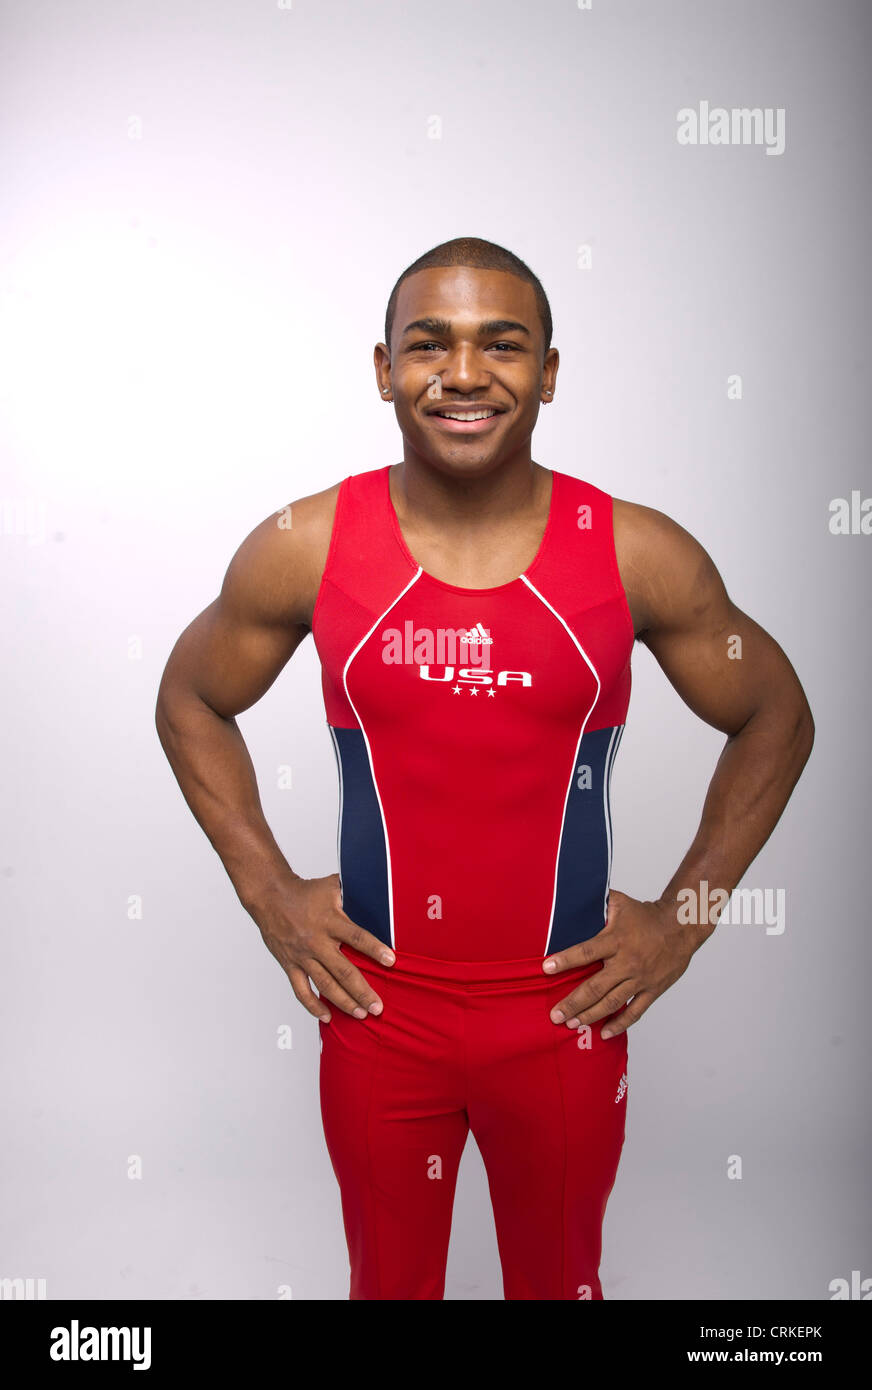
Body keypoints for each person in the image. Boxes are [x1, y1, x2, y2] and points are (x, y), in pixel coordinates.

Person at [155, 236, 814, 1300]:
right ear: (383, 369)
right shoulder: (306, 544)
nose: (463, 374)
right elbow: (190, 695)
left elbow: (775, 715)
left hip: (561, 1019)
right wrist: (268, 891)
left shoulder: (634, 552)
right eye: (430, 344)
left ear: (547, 371)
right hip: (380, 1015)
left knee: (559, 1287)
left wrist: (680, 921)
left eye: (500, 345)